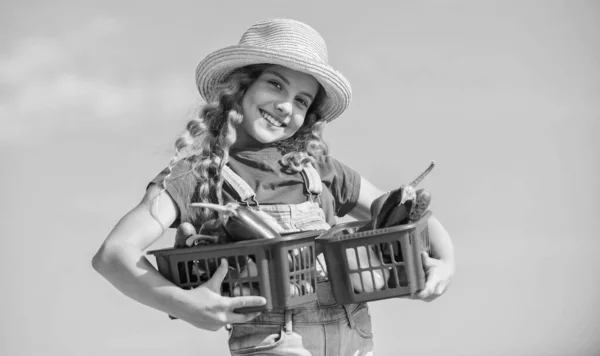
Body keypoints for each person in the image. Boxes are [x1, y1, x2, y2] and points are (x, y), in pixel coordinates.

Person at [92, 18, 455, 356]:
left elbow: (404, 211)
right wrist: (182, 303)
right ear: (240, 86)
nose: (285, 106)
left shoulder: (317, 169)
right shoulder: (196, 176)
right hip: (275, 342)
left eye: (301, 100)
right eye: (275, 84)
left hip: (354, 338)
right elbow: (114, 253)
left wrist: (445, 263)